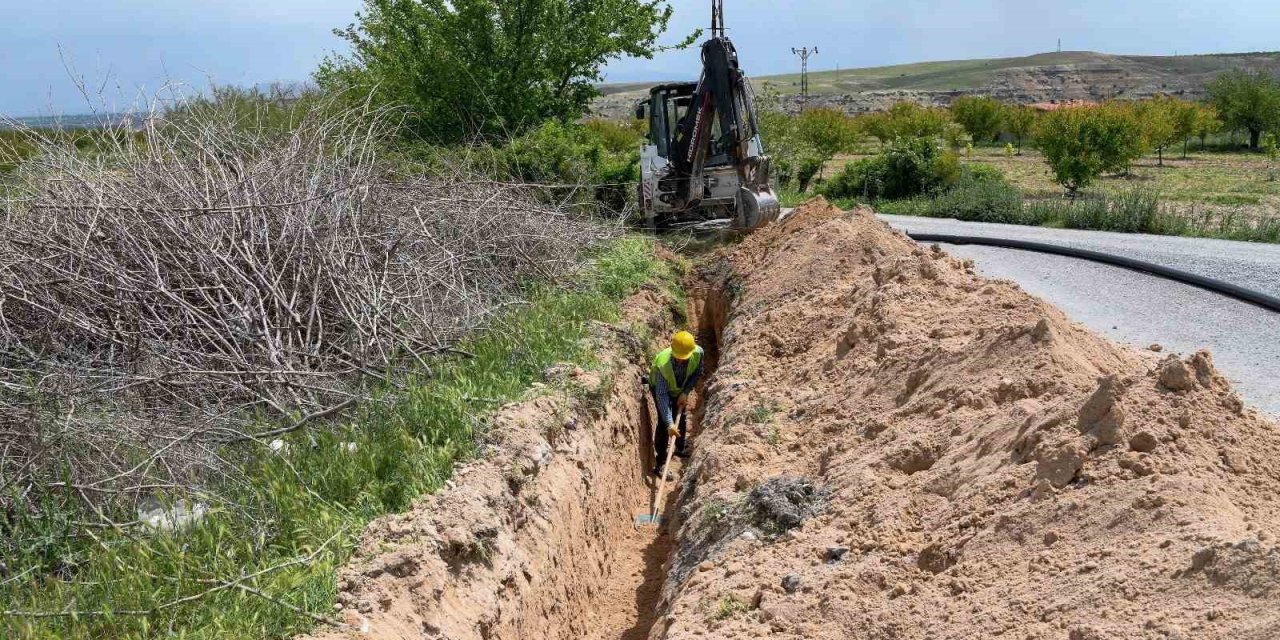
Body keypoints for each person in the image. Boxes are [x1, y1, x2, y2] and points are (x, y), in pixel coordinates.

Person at [648, 330, 704, 477]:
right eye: (678, 357)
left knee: (681, 414)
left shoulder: (697, 353)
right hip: (661, 389)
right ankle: (660, 464)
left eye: (683, 358)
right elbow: (662, 396)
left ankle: (679, 447)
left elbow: (697, 372)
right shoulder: (663, 365)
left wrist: (685, 392)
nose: (680, 360)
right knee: (663, 423)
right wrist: (669, 423)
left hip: (680, 387)